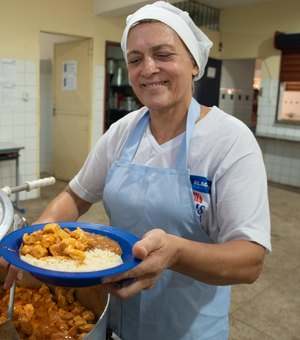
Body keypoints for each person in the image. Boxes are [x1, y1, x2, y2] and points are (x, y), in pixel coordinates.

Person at [1, 1, 271, 339]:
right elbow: (75, 195)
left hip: (186, 326)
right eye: (135, 59)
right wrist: (35, 244)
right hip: (117, 318)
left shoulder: (229, 140)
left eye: (164, 54)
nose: (148, 69)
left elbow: (250, 260)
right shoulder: (123, 131)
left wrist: (176, 252)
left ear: (193, 63)